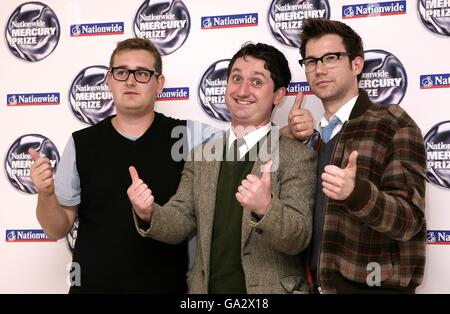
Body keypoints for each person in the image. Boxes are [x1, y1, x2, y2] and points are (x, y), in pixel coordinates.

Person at [128, 43, 317, 294]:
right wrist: (148, 213)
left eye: (257, 82)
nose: (242, 90)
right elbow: (181, 219)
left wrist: (266, 208)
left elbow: (299, 238)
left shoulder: (298, 156)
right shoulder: (201, 156)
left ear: (278, 95)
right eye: (236, 78)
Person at [28, 38, 194, 293]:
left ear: (159, 84)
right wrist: (46, 194)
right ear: (109, 80)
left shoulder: (188, 136)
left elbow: (245, 141)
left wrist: (280, 132)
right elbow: (57, 228)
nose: (130, 81)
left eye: (142, 73)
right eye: (121, 72)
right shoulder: (81, 143)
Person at [288, 18, 427, 294]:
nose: (319, 69)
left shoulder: (393, 125)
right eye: (311, 61)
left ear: (357, 65)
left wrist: (357, 192)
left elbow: (409, 220)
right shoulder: (316, 137)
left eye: (331, 58)